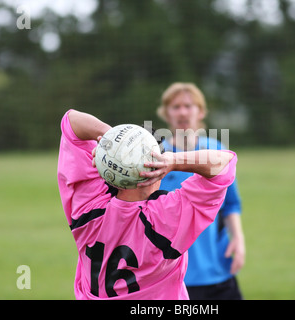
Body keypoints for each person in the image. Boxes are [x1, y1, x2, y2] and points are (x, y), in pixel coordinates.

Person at [57, 109, 237, 299]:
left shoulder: (88, 206)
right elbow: (224, 164)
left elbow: (71, 122)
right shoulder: (165, 220)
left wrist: (114, 145)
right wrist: (174, 161)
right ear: (156, 164)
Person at [156, 82, 245, 299]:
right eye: (176, 106)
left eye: (189, 105)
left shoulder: (216, 151)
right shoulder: (155, 156)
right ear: (166, 113)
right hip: (173, 276)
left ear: (201, 111)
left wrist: (238, 238)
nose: (183, 112)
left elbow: (231, 203)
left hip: (218, 269)